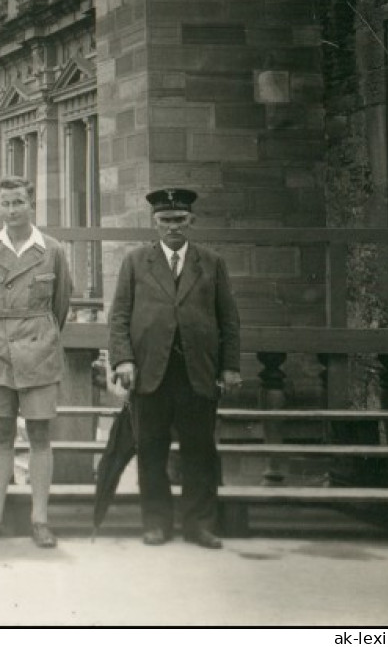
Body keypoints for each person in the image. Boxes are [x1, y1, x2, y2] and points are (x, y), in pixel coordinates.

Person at [110, 188, 241, 549]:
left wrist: (230, 366)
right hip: (150, 370)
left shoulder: (211, 263)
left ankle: (199, 524)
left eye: (180, 220)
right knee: (150, 448)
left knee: (199, 450)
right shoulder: (136, 262)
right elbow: (120, 315)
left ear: (191, 221)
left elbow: (228, 318)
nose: (173, 227)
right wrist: (123, 359)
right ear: (154, 223)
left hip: (197, 371)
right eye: (165, 221)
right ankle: (156, 522)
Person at [0, 176, 74, 549]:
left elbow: (60, 307)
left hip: (39, 349)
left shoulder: (52, 250)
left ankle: (40, 519)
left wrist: (39, 334)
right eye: (5, 204)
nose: (11, 210)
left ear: (31, 203)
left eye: (18, 202)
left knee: (39, 435)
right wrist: (4, 332)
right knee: (1, 435)